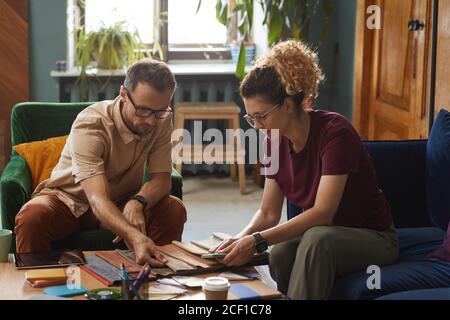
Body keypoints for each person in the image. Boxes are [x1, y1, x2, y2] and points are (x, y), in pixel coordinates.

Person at [211, 40, 399, 300]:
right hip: (324, 236)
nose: (256, 126)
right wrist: (239, 240)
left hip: (374, 237)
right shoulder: (271, 140)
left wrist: (256, 241)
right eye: (250, 118)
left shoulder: (336, 133)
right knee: (280, 252)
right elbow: (268, 212)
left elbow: (323, 213)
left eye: (261, 116)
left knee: (317, 241)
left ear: (288, 105)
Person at [15, 59, 187, 267]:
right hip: (69, 200)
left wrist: (137, 202)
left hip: (120, 200)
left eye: (160, 111)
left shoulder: (161, 119)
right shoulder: (91, 123)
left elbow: (162, 180)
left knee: (173, 209)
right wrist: (133, 235)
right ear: (123, 95)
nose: (151, 121)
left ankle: (155, 280)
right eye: (143, 110)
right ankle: (38, 290)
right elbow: (97, 199)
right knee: (32, 216)